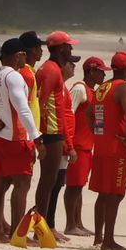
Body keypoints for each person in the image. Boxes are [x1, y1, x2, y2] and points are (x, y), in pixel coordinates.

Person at [0, 38, 41, 242]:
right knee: (22, 184)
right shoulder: (14, 76)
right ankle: (18, 233)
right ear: (18, 56)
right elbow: (23, 109)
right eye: (24, 54)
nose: (26, 58)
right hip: (17, 137)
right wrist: (37, 137)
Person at [91, 51, 126, 250]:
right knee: (115, 194)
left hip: (101, 147)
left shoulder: (103, 87)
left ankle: (98, 237)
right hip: (116, 149)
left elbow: (89, 113)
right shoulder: (123, 88)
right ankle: (108, 240)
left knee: (103, 193)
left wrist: (98, 133)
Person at [32, 31, 79, 233]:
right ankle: (40, 228)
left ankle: (43, 226)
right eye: (69, 46)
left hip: (54, 131)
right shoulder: (51, 70)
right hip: (50, 132)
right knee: (48, 181)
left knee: (50, 181)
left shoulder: (51, 69)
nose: (71, 49)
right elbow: (40, 104)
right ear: (61, 49)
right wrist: (39, 138)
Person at [64, 57, 108, 237]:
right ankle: (70, 224)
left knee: (79, 185)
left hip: (87, 145)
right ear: (91, 71)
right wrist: (69, 144)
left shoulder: (92, 91)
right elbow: (68, 114)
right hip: (77, 145)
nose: (104, 75)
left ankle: (78, 222)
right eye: (101, 71)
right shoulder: (80, 89)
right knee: (73, 186)